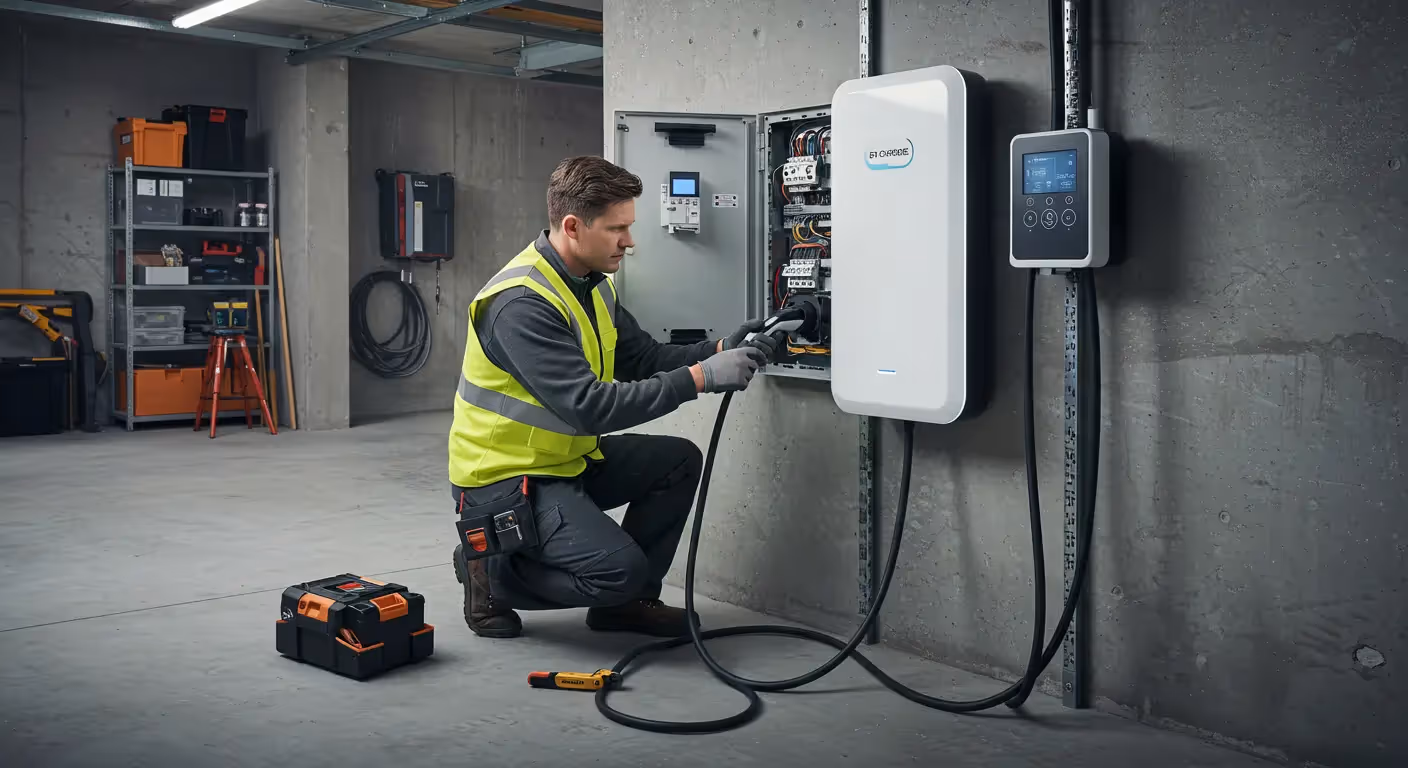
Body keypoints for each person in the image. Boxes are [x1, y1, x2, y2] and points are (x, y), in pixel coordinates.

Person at [448, 155, 774, 639]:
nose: (629, 241)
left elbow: (642, 358)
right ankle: (492, 575)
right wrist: (702, 378)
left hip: (564, 460)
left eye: (629, 226)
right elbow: (589, 407)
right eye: (617, 228)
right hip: (505, 477)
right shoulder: (521, 305)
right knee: (619, 571)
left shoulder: (588, 285)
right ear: (574, 226)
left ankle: (624, 607)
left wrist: (722, 348)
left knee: (677, 460)